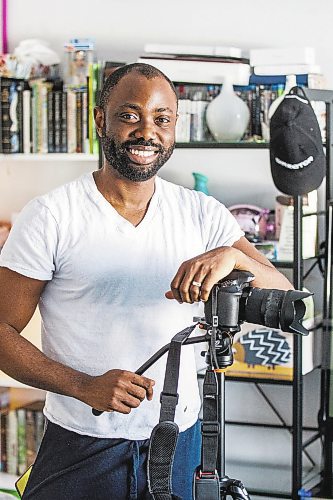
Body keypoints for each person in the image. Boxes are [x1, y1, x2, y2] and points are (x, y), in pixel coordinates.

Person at [0, 63, 292, 500]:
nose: (147, 132)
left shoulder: (201, 212)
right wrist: (84, 385)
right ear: (101, 120)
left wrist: (232, 255)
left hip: (181, 441)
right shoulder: (51, 215)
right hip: (83, 444)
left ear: (174, 128)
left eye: (162, 119)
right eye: (130, 115)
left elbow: (284, 292)